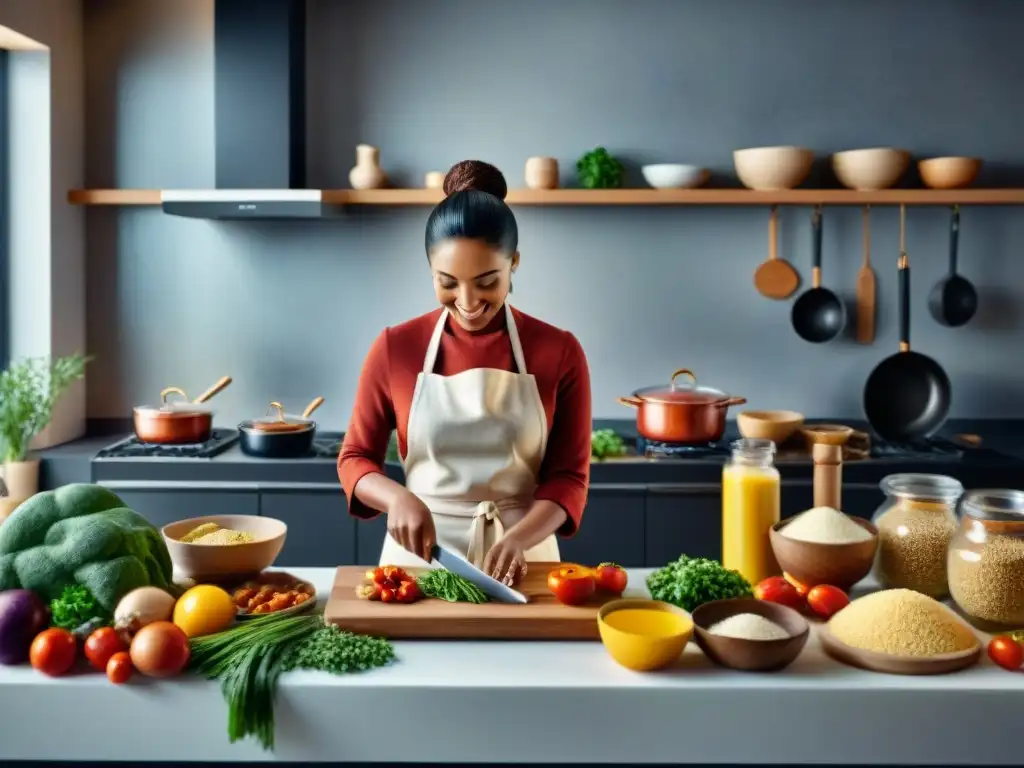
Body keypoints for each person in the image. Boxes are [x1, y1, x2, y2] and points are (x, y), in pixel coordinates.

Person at [338, 159, 592, 586]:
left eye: (487, 280)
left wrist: (519, 538)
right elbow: (354, 459)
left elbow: (569, 478)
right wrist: (397, 498)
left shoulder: (559, 350)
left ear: (514, 262)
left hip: (523, 559)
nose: (468, 300)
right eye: (448, 282)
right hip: (417, 563)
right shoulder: (394, 348)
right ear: (430, 269)